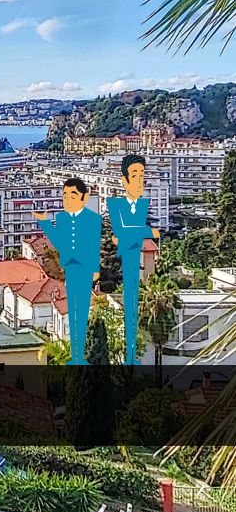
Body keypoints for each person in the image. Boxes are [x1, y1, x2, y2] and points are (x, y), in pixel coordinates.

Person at [37, 178, 101, 365]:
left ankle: (80, 355)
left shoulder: (92, 219)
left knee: (81, 310)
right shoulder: (62, 218)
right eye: (65, 195)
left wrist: (95, 269)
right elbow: (59, 242)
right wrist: (45, 223)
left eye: (72, 195)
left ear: (83, 197)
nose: (68, 199)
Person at [106, 154, 159, 366]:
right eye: (134, 175)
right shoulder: (118, 205)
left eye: (142, 175)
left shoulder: (140, 205)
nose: (139, 180)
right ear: (124, 179)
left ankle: (132, 353)